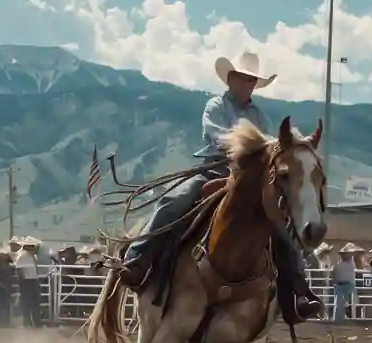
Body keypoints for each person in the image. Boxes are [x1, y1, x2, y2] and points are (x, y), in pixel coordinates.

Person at [117, 51, 322, 323]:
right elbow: (218, 139)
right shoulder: (215, 106)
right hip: (214, 168)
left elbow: (272, 149)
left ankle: (297, 293)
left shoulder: (259, 115)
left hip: (249, 180)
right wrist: (249, 149)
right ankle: (137, 258)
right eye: (242, 78)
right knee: (175, 200)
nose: (247, 83)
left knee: (282, 227)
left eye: (252, 80)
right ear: (231, 79)